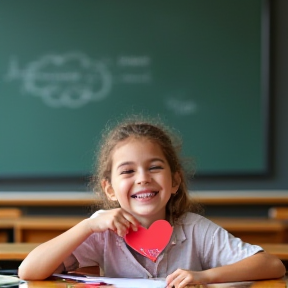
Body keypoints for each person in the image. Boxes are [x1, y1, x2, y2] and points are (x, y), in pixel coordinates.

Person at [18, 116, 286, 287]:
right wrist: (88, 226)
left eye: (154, 167)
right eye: (127, 171)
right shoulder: (102, 232)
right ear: (109, 189)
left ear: (175, 182)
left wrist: (205, 277)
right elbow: (28, 271)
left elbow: (272, 265)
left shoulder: (194, 228)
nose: (142, 179)